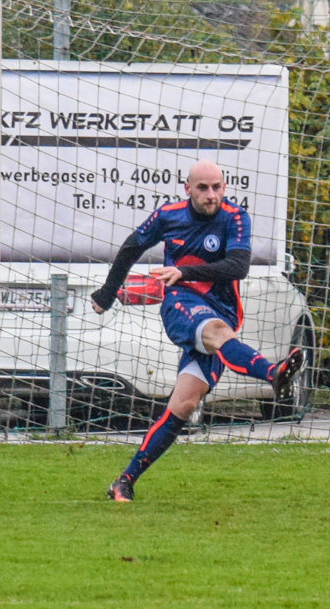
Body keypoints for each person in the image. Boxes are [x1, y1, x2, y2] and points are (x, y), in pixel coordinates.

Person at [91, 160, 302, 502]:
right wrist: (107, 294)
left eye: (217, 187)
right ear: (187, 188)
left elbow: (238, 266)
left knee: (185, 404)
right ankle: (272, 373)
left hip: (222, 309)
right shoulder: (168, 215)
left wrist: (184, 271)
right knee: (217, 332)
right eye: (203, 188)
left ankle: (124, 481)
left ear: (224, 187)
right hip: (181, 303)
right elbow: (131, 247)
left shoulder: (235, 217)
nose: (211, 195)